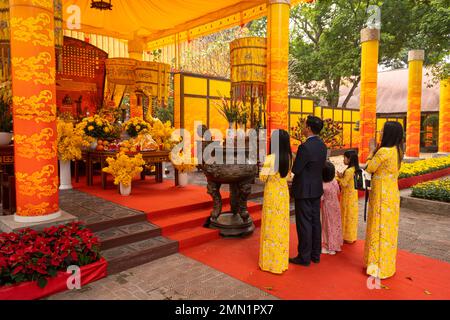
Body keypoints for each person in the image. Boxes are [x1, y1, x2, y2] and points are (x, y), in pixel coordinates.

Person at [364, 121, 404, 279]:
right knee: (388, 230)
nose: (380, 132)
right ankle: (387, 266)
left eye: (382, 130)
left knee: (377, 228)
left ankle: (376, 267)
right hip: (392, 194)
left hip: (381, 195)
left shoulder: (383, 152)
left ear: (388, 134)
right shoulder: (397, 151)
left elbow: (369, 168)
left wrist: (371, 151)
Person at [290, 116, 328, 266]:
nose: (303, 127)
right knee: (315, 222)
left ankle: (304, 257)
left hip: (304, 190)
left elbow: (296, 169)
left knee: (304, 223)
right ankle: (315, 254)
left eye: (305, 125)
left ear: (309, 128)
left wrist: (295, 157)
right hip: (316, 188)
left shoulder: (304, 147)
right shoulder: (322, 145)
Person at [259, 129, 292, 274]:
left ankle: (270, 263)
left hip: (272, 195)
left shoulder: (271, 159)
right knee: (281, 227)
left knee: (270, 228)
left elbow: (262, 177)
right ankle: (281, 262)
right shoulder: (290, 157)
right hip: (283, 194)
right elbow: (289, 177)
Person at [337, 150, 360, 244]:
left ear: (349, 159)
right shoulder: (355, 169)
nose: (343, 159)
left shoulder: (349, 171)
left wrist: (338, 177)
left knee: (346, 215)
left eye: (345, 157)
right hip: (353, 196)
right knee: (352, 216)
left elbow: (344, 183)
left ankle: (346, 236)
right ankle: (351, 236)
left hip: (347, 197)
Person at [321, 161, 343, 255]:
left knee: (328, 226)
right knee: (336, 225)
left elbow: (321, 198)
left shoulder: (323, 186)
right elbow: (338, 191)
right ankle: (336, 245)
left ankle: (329, 247)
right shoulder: (334, 181)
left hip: (327, 208)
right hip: (336, 205)